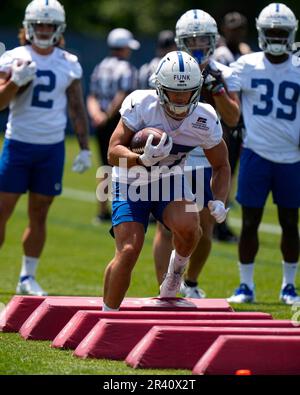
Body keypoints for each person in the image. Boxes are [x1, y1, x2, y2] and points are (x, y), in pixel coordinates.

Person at [102, 50, 231, 311]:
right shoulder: (142, 104)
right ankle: (107, 315)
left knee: (189, 227)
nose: (181, 98)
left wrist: (218, 199)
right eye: (174, 91)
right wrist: (140, 159)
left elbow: (221, 165)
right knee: (129, 249)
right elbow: (113, 151)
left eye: (186, 91)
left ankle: (174, 277)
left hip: (169, 180)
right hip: (131, 181)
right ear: (160, 87)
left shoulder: (204, 118)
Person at [0, 0, 91, 296]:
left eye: (49, 25)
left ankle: (27, 276)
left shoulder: (69, 61)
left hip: (51, 148)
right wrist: (14, 82)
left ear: (58, 28)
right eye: (39, 24)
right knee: (2, 211)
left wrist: (85, 148)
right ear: (28, 26)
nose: (43, 29)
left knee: (39, 214)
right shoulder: (14, 57)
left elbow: (77, 107)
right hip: (18, 144)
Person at [153, 9, 240, 298]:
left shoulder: (223, 70)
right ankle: (164, 287)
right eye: (191, 40)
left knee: (204, 225)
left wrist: (217, 91)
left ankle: (190, 282)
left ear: (214, 41)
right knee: (167, 227)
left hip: (208, 158)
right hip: (173, 156)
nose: (198, 46)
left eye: (204, 40)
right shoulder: (167, 67)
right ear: (180, 41)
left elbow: (233, 117)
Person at [227, 3, 300, 305]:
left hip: (291, 157)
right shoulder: (247, 64)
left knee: (290, 223)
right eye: (271, 31)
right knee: (248, 223)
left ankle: (289, 286)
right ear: (261, 32)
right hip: (256, 153)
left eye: (281, 32)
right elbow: (221, 86)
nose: (276, 37)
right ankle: (246, 285)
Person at [87, 28, 140, 224]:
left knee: (104, 167)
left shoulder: (100, 66)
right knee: (125, 166)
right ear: (124, 48)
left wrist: (96, 114)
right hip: (118, 122)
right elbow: (122, 95)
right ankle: (128, 208)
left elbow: (91, 95)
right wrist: (108, 115)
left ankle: (102, 211)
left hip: (100, 121)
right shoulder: (127, 69)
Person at [213, 12, 252, 243]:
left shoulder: (243, 54)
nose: (235, 32)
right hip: (222, 121)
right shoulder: (223, 54)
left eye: (239, 29)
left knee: (229, 172)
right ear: (224, 30)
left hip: (237, 119)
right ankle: (218, 224)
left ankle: (220, 220)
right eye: (231, 28)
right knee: (221, 170)